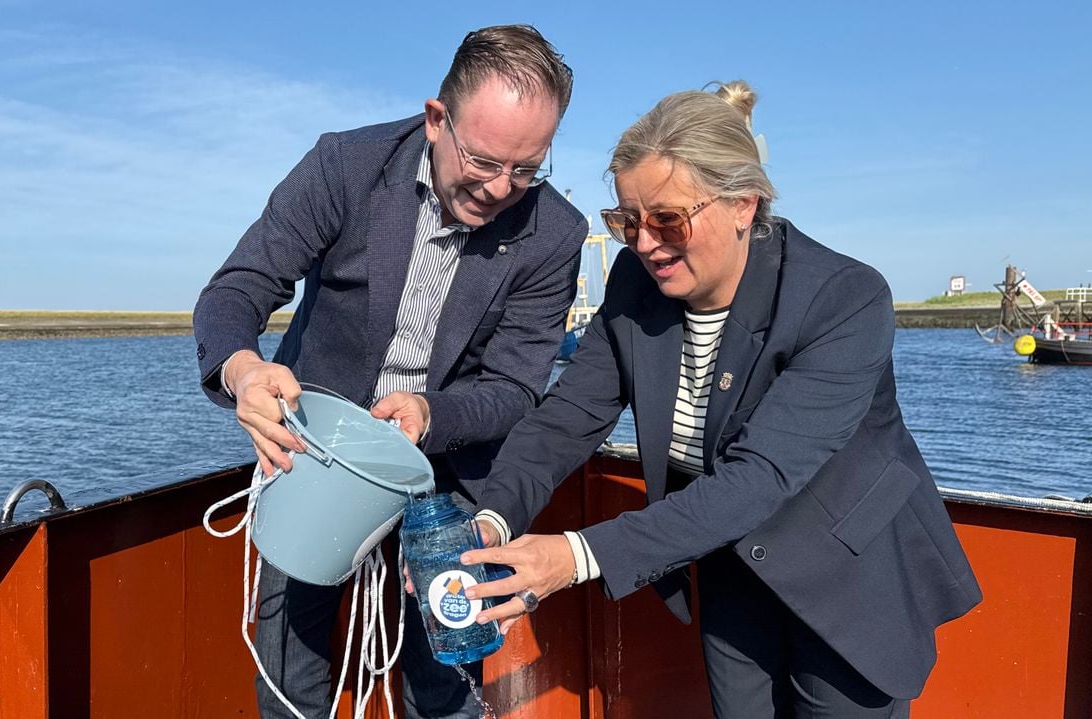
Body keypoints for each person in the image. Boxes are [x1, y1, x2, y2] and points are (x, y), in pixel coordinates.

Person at [461, 81, 983, 717]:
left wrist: (575, 557)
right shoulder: (636, 281)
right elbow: (567, 417)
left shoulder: (844, 297)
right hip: (731, 559)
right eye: (627, 221)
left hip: (848, 576)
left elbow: (761, 475)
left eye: (668, 219)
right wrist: (491, 518)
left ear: (743, 204)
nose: (645, 244)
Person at [192, 25, 587, 719]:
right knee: (292, 672)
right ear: (438, 119)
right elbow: (237, 289)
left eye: (527, 170)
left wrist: (431, 414)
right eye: (486, 160)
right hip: (312, 455)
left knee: (447, 680)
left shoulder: (556, 233)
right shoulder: (344, 166)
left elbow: (518, 387)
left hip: (451, 471)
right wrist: (244, 369)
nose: (502, 189)